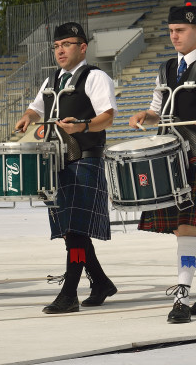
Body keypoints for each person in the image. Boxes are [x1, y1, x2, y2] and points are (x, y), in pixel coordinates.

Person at [129, 3, 196, 324]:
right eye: (171, 31)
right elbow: (157, 109)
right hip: (168, 157)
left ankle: (181, 296)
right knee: (184, 229)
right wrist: (144, 116)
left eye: (181, 31)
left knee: (186, 227)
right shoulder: (164, 68)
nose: (174, 36)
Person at [14, 22, 118, 313]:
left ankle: (70, 292)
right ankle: (100, 282)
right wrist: (27, 116)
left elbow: (107, 117)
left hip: (85, 156)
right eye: (56, 46)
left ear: (82, 47)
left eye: (67, 45)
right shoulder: (51, 81)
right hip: (56, 160)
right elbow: (37, 108)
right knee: (71, 230)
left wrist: (83, 126)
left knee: (74, 229)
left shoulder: (95, 77)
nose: (60, 50)